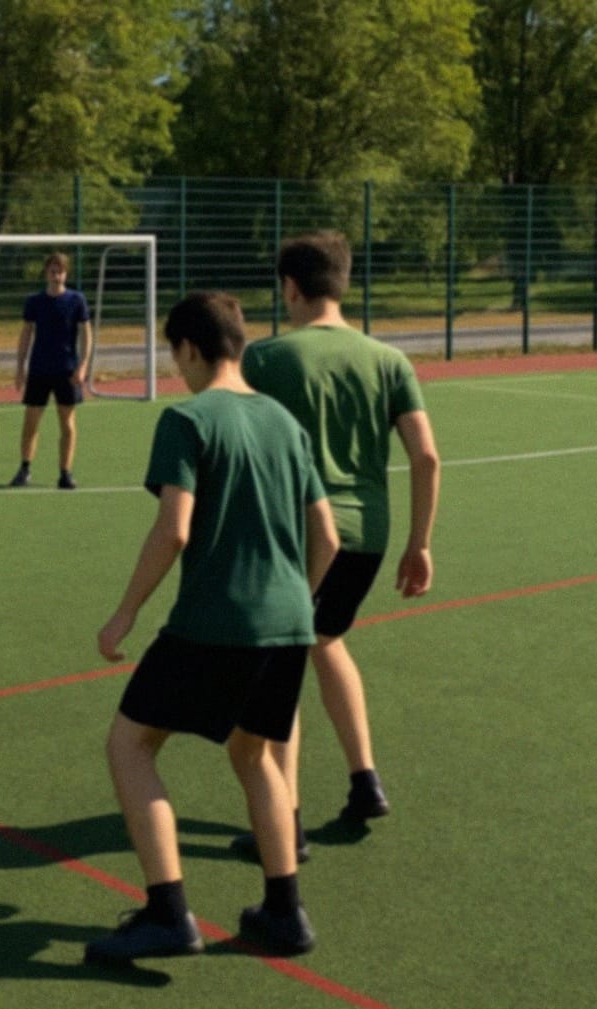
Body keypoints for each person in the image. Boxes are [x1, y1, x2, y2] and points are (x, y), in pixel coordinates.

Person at [84, 292, 338, 966]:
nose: (178, 369)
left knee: (130, 745)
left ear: (191, 349)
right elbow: (328, 537)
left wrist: (124, 613)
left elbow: (174, 528)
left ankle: (168, 912)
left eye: (176, 356)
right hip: (290, 623)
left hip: (216, 621)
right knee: (255, 756)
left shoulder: (188, 419)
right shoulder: (284, 421)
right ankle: (285, 911)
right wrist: (295, 603)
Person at [233, 230, 441, 861]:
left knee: (282, 667)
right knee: (326, 640)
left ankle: (285, 822)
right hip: (368, 536)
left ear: (291, 287)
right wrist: (420, 544)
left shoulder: (266, 358)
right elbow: (426, 457)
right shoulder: (389, 360)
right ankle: (364, 779)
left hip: (298, 533)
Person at [10, 251, 94, 490]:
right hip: (39, 369)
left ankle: (65, 473)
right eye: (52, 270)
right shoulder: (34, 301)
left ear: (66, 273)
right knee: (31, 421)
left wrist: (83, 366)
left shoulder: (76, 300)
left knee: (67, 424)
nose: (56, 275)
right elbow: (26, 335)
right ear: (46, 273)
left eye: (60, 271)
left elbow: (86, 334)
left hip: (66, 370)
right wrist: (20, 367)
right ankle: (25, 468)